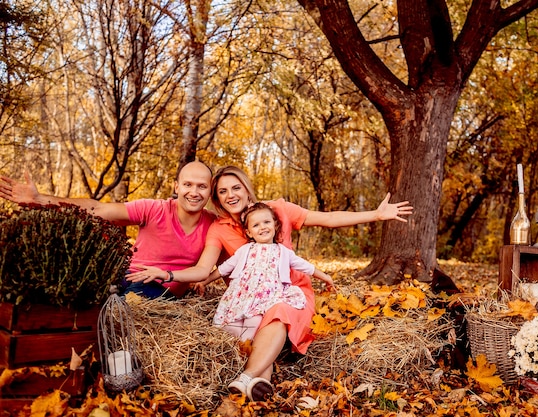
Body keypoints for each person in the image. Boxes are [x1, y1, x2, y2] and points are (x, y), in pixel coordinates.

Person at [134, 165, 413, 401]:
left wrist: (376, 215)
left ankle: (246, 377)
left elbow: (327, 219)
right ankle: (260, 383)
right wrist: (171, 275)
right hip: (250, 298)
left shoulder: (277, 210)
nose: (231, 195)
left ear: (246, 188)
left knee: (278, 312)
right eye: (222, 191)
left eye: (236, 188)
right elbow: (206, 268)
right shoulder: (219, 228)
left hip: (290, 292)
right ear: (216, 199)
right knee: (255, 319)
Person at [0, 161, 216, 299]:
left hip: (160, 293)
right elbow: (96, 208)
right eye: (188, 185)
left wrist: (201, 280)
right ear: (177, 187)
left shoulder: (214, 225)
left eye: (202, 186)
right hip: (129, 277)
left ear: (210, 190)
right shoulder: (153, 209)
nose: (194, 192)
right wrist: (40, 200)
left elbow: (234, 264)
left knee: (126, 306)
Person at [205, 202, 335, 344]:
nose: (262, 227)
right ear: (249, 232)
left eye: (266, 222)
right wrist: (204, 281)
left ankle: (245, 347)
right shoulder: (245, 250)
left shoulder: (283, 252)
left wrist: (326, 277)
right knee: (228, 324)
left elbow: (306, 267)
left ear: (275, 225)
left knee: (254, 322)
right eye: (256, 225)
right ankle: (238, 343)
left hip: (264, 298)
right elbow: (224, 268)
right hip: (242, 296)